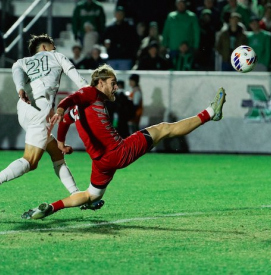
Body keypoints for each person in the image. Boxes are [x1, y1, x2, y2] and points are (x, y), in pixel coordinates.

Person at [21, 64, 227, 220]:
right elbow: (70, 100)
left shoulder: (84, 105)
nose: (116, 87)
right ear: (100, 83)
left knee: (91, 195)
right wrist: (59, 109)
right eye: (113, 83)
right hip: (118, 151)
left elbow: (66, 119)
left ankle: (51, 207)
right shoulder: (91, 92)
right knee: (164, 128)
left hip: (101, 162)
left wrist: (61, 143)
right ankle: (210, 113)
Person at [0, 34, 86, 197]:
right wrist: (90, 93)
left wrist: (20, 89)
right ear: (45, 47)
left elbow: (16, 71)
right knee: (30, 162)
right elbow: (77, 79)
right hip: (41, 108)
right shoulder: (56, 56)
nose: (55, 48)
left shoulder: (22, 61)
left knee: (56, 153)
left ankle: (75, 194)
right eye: (52, 45)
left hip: (24, 108)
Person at [102, 6, 140, 70]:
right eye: (118, 13)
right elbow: (102, 39)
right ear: (115, 14)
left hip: (125, 59)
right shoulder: (110, 28)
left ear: (124, 15)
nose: (119, 15)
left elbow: (136, 41)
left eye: (121, 14)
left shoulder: (129, 28)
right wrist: (105, 43)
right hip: (112, 58)